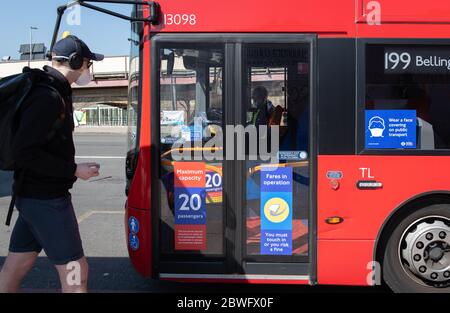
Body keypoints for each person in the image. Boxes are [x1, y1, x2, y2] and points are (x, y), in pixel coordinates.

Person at [0, 35, 103, 293]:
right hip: (46, 200)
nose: (88, 69)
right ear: (77, 61)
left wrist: (72, 166)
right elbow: (25, 152)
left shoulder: (50, 90)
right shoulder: (47, 97)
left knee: (17, 265)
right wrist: (73, 170)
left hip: (32, 196)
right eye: (88, 63)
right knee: (76, 273)